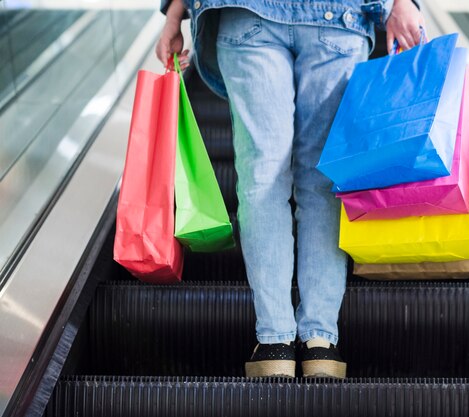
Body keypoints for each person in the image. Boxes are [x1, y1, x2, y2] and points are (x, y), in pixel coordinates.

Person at [157, 0, 426, 379]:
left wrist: (173, 15)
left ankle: (274, 341)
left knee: (261, 177)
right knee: (322, 180)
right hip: (339, 18)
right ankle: (320, 342)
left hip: (246, 14)